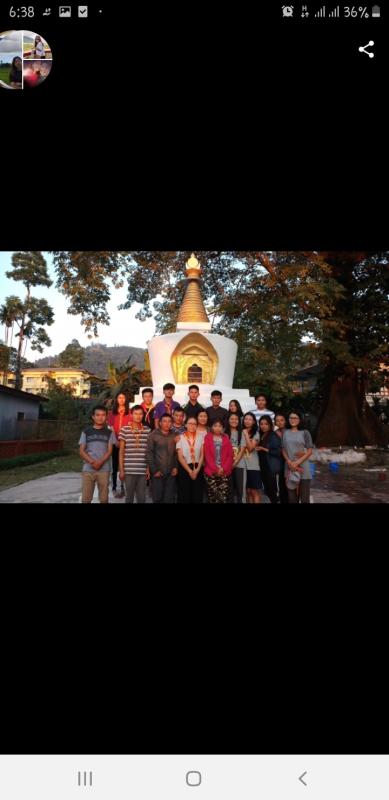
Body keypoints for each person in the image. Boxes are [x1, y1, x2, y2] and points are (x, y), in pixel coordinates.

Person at [79, 405, 116, 503]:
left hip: (104, 470)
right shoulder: (86, 432)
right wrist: (92, 462)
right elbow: (81, 451)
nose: (100, 417)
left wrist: (100, 462)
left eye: (103, 415)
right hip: (88, 469)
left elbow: (109, 451)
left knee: (104, 499)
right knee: (86, 499)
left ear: (106, 416)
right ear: (93, 416)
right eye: (98, 415)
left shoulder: (109, 433)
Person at [118, 405, 151, 503]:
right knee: (129, 497)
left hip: (142, 471)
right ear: (131, 415)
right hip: (128, 471)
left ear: (143, 415)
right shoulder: (124, 430)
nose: (138, 416)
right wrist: (121, 470)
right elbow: (121, 451)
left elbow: (149, 451)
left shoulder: (148, 431)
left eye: (140, 414)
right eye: (135, 413)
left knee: (141, 498)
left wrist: (148, 469)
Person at [282, 411, 313, 504]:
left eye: (295, 418)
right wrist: (289, 461)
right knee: (291, 498)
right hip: (289, 467)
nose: (293, 420)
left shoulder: (305, 432)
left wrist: (297, 462)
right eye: (291, 418)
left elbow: (310, 451)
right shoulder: (285, 432)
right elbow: (283, 449)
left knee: (304, 498)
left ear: (300, 420)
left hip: (303, 468)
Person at [146, 413, 178, 502]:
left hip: (171, 473)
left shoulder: (174, 435)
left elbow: (176, 453)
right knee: (157, 498)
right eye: (164, 421)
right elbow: (149, 453)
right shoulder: (153, 435)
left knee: (169, 498)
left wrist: (176, 466)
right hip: (157, 473)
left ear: (172, 423)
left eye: (169, 421)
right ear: (160, 423)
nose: (167, 423)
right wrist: (154, 470)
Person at [107, 392, 132, 498]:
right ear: (116, 399)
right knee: (115, 465)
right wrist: (115, 441)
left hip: (125, 443)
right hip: (115, 442)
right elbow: (111, 428)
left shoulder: (130, 413)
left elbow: (130, 428)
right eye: (119, 397)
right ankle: (114, 487)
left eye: (123, 397)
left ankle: (122, 486)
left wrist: (123, 441)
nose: (121, 399)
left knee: (124, 466)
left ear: (126, 400)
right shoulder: (112, 413)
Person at [203, 420, 234, 503]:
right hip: (211, 472)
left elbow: (230, 456)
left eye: (220, 426)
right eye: (215, 425)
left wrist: (223, 468)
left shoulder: (226, 438)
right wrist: (216, 469)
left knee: (222, 497)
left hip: (224, 472)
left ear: (223, 428)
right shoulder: (207, 438)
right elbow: (207, 456)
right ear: (211, 427)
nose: (217, 428)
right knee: (212, 496)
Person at [176, 416, 205, 503]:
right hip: (184, 468)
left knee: (197, 494)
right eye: (190, 423)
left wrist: (197, 469)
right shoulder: (180, 437)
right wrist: (189, 471)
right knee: (184, 494)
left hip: (198, 467)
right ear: (185, 425)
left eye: (194, 424)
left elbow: (202, 455)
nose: (192, 426)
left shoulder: (201, 437)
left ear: (197, 425)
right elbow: (180, 457)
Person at [256, 415, 282, 504]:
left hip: (270, 467)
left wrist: (264, 449)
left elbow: (278, 452)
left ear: (270, 425)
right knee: (267, 490)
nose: (263, 426)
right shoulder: (261, 434)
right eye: (261, 424)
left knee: (271, 491)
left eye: (266, 424)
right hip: (263, 466)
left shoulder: (273, 435)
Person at [241, 412, 262, 503]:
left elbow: (250, 448)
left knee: (254, 491)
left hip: (253, 466)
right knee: (248, 491)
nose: (247, 421)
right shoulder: (240, 432)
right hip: (243, 465)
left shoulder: (256, 434)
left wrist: (246, 434)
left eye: (250, 419)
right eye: (246, 419)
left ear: (253, 422)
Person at [226, 412, 246, 503]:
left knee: (239, 490)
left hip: (239, 465)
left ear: (239, 421)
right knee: (228, 490)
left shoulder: (242, 433)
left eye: (236, 419)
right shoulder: (224, 432)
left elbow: (242, 449)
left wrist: (234, 463)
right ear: (228, 420)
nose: (234, 421)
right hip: (226, 465)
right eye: (232, 419)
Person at [274, 412, 288, 503]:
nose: (280, 422)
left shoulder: (290, 431)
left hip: (290, 460)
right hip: (279, 461)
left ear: (285, 421)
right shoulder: (274, 433)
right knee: (282, 483)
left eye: (282, 420)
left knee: (291, 483)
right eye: (277, 421)